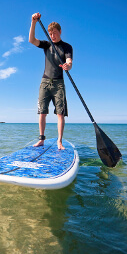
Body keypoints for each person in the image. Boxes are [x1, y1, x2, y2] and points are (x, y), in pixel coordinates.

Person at [29, 12, 73, 150]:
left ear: (60, 32)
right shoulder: (46, 45)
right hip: (45, 83)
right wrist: (33, 22)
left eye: (54, 32)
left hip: (59, 83)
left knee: (60, 113)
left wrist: (68, 66)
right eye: (50, 33)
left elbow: (69, 61)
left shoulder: (67, 47)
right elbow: (31, 40)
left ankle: (59, 142)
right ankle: (41, 139)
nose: (52, 35)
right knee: (42, 112)